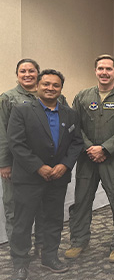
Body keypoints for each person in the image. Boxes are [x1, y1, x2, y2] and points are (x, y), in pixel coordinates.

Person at [7, 69, 83, 280]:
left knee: (53, 220)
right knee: (23, 222)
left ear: (61, 88)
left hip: (58, 177)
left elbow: (76, 142)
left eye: (55, 85)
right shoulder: (21, 110)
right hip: (29, 177)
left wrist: (65, 165)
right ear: (38, 86)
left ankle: (50, 257)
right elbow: (16, 143)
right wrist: (38, 167)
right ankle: (20, 263)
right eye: (46, 84)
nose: (50, 88)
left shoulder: (70, 114)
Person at [66, 55, 114, 263]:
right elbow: (74, 126)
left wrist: (105, 148)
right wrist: (90, 148)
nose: (104, 72)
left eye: (109, 69)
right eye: (100, 68)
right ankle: (78, 241)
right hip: (87, 157)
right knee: (82, 200)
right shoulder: (82, 96)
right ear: (95, 71)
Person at [1, 59, 67, 255]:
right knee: (17, 209)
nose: (27, 74)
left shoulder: (56, 98)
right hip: (18, 164)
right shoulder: (8, 98)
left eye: (31, 71)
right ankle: (19, 250)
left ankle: (41, 245)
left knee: (44, 208)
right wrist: (4, 163)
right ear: (17, 74)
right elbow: (4, 134)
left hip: (48, 164)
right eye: (23, 71)